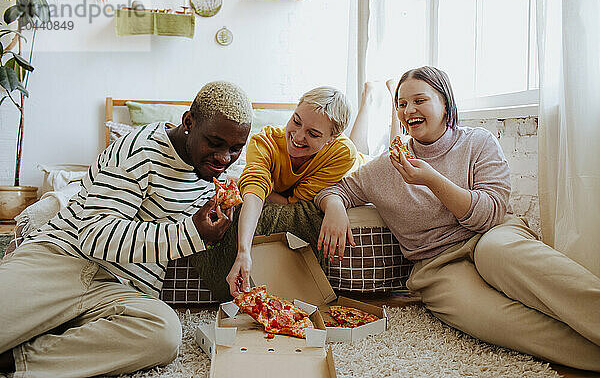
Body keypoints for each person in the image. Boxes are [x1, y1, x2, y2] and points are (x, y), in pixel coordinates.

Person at [314, 66, 600, 371]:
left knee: (502, 256)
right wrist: (334, 208)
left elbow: (489, 214)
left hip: (492, 235)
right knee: (497, 320)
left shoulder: (478, 142)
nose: (409, 110)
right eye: (401, 103)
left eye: (419, 100)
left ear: (446, 104)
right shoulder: (386, 167)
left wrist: (433, 180)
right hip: (437, 265)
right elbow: (334, 191)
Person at [0, 81, 253, 377]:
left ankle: (18, 361)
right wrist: (192, 233)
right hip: (64, 261)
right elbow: (95, 237)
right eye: (215, 142)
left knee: (164, 333)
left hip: (121, 290)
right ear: (188, 122)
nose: (224, 158)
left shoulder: (214, 179)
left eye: (236, 149)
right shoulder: (140, 149)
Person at [191, 86, 365, 300]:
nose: (298, 136)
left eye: (313, 133)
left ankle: (368, 99)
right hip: (280, 183)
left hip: (357, 165)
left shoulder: (343, 153)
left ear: (332, 138)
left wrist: (333, 203)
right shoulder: (264, 142)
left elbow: (293, 200)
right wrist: (243, 251)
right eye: (296, 121)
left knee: (363, 148)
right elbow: (255, 193)